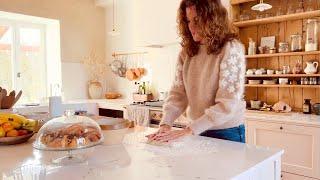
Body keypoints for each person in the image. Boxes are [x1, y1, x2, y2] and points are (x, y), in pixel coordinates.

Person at [147, 0, 246, 143]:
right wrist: (165, 124)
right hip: (196, 129)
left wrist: (190, 130)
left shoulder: (231, 48)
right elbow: (177, 94)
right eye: (188, 21)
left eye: (197, 20)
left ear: (213, 20)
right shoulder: (186, 53)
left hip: (226, 131)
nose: (191, 26)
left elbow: (228, 103)